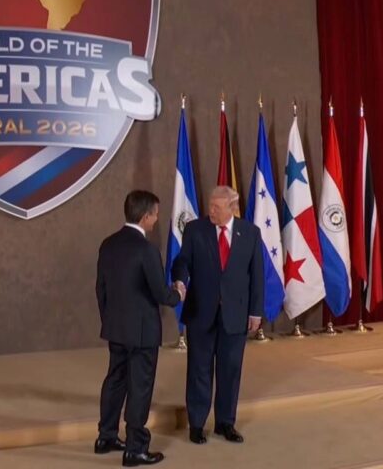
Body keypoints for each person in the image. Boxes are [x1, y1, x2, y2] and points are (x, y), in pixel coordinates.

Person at [96, 190, 185, 467]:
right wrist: (178, 293)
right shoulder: (146, 250)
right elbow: (160, 293)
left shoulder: (108, 244)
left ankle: (106, 437)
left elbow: (101, 290)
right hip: (143, 333)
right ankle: (135, 449)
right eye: (156, 215)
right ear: (145, 216)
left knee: (115, 381)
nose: (157, 220)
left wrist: (109, 319)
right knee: (140, 388)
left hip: (116, 328)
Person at [172, 186, 264, 445]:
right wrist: (179, 280)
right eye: (210, 205)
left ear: (232, 208)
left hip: (235, 315)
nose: (210, 210)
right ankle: (197, 424)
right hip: (201, 311)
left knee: (230, 370)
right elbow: (182, 261)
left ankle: (225, 423)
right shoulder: (195, 230)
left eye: (216, 207)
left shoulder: (250, 233)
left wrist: (256, 311)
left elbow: (256, 275)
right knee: (199, 369)